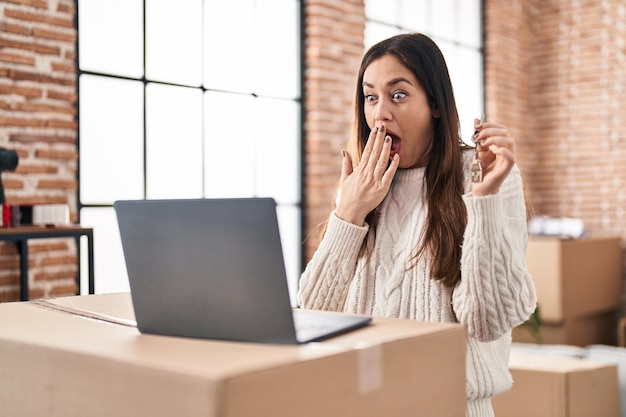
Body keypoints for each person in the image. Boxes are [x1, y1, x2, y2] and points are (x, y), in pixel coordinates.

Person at [297, 33, 537, 417]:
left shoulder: (481, 173)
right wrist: (349, 213)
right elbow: (312, 314)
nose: (380, 114)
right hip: (359, 405)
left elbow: (489, 321)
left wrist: (485, 202)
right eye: (370, 97)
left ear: (436, 105)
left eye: (398, 95)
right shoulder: (362, 185)